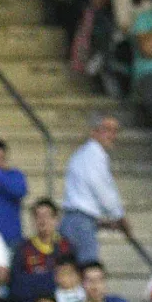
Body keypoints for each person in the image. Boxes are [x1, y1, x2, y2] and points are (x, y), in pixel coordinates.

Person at [59, 114, 128, 266]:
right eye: (107, 130)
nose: (112, 135)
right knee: (88, 269)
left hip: (75, 219)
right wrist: (118, 215)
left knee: (72, 268)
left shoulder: (81, 154)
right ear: (94, 132)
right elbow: (101, 188)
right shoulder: (94, 155)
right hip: (81, 223)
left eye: (115, 131)